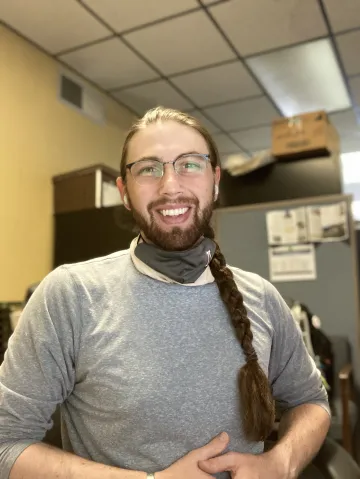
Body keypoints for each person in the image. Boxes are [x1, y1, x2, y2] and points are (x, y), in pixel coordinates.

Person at [0, 107, 330, 479]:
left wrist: (280, 463)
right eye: (148, 168)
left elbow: (311, 401)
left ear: (215, 181)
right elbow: (6, 443)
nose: (170, 185)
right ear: (124, 191)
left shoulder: (262, 297)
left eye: (189, 164)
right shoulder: (71, 295)